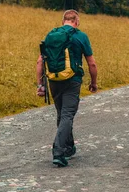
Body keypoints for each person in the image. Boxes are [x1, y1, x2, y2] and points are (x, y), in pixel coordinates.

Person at [36, 9, 98, 167]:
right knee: (67, 115)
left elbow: (39, 62)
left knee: (62, 114)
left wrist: (40, 85)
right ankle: (59, 151)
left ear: (63, 20)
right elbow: (92, 63)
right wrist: (93, 82)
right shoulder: (80, 36)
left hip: (54, 80)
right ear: (76, 21)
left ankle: (69, 147)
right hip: (72, 80)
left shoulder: (51, 36)